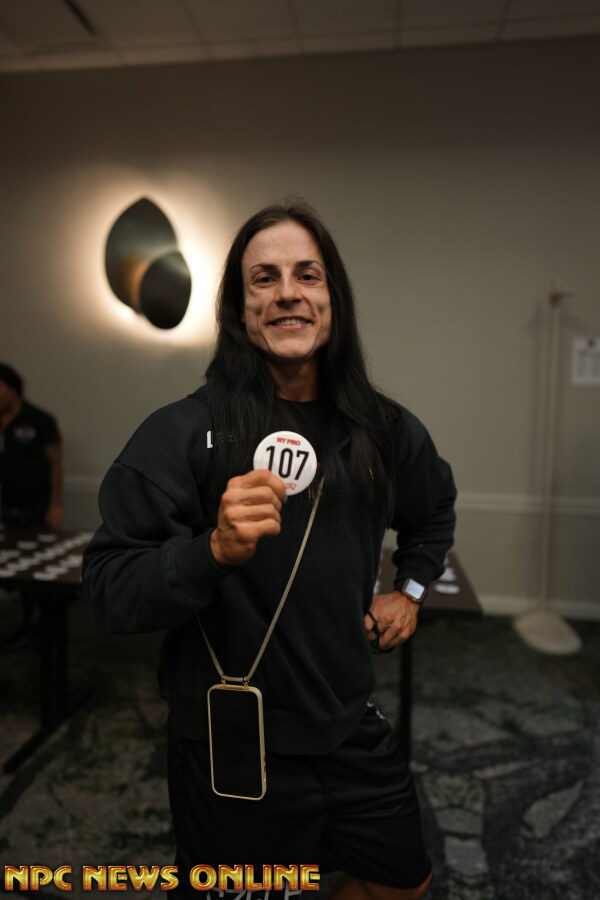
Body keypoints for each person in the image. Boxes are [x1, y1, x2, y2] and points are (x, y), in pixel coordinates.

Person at [83, 200, 456, 899]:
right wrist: (213, 550)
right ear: (239, 307)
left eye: (307, 275)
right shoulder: (183, 432)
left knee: (402, 881)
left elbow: (434, 513)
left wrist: (408, 589)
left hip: (346, 720)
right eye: (264, 278)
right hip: (232, 742)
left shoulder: (382, 429)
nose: (288, 292)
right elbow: (108, 589)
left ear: (332, 299)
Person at [0, 363, 63, 531]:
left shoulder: (40, 420)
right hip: (4, 505)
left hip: (35, 507)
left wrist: (56, 506)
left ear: (12, 389)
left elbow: (55, 464)